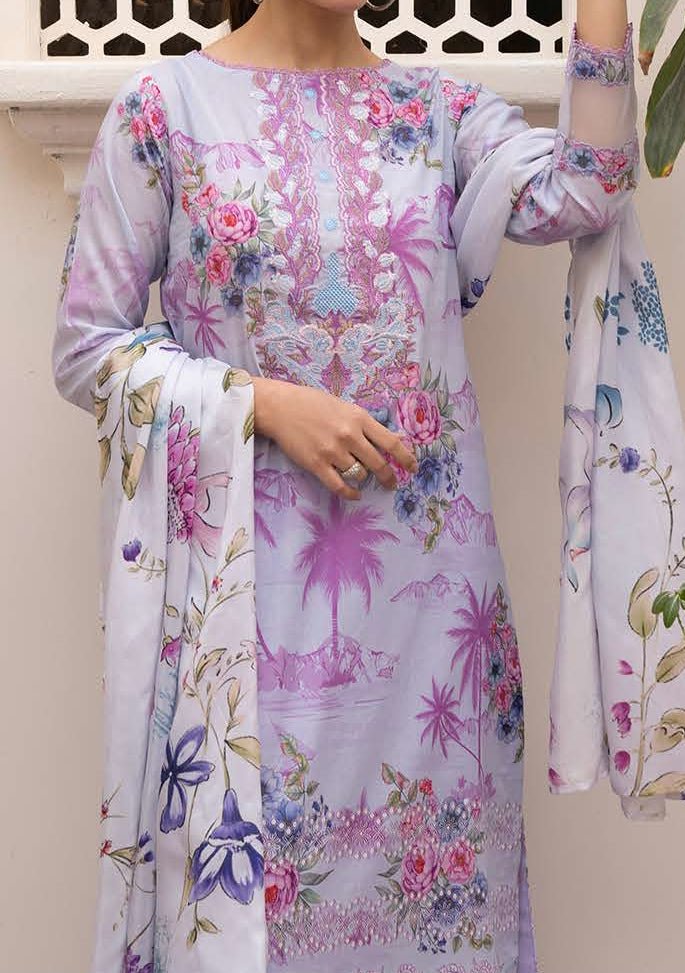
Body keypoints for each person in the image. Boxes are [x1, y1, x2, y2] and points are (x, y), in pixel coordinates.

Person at [52, 0, 636, 970]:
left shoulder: (441, 114)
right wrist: (260, 402)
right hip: (246, 637)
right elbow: (87, 348)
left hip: (434, 655)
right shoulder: (164, 111)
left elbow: (589, 190)